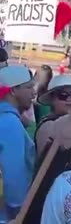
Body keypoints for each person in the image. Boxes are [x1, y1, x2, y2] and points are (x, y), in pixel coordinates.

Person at [0, 66, 36, 221]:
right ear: (13, 91)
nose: (34, 92)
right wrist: (20, 211)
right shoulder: (10, 122)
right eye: (29, 87)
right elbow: (14, 174)